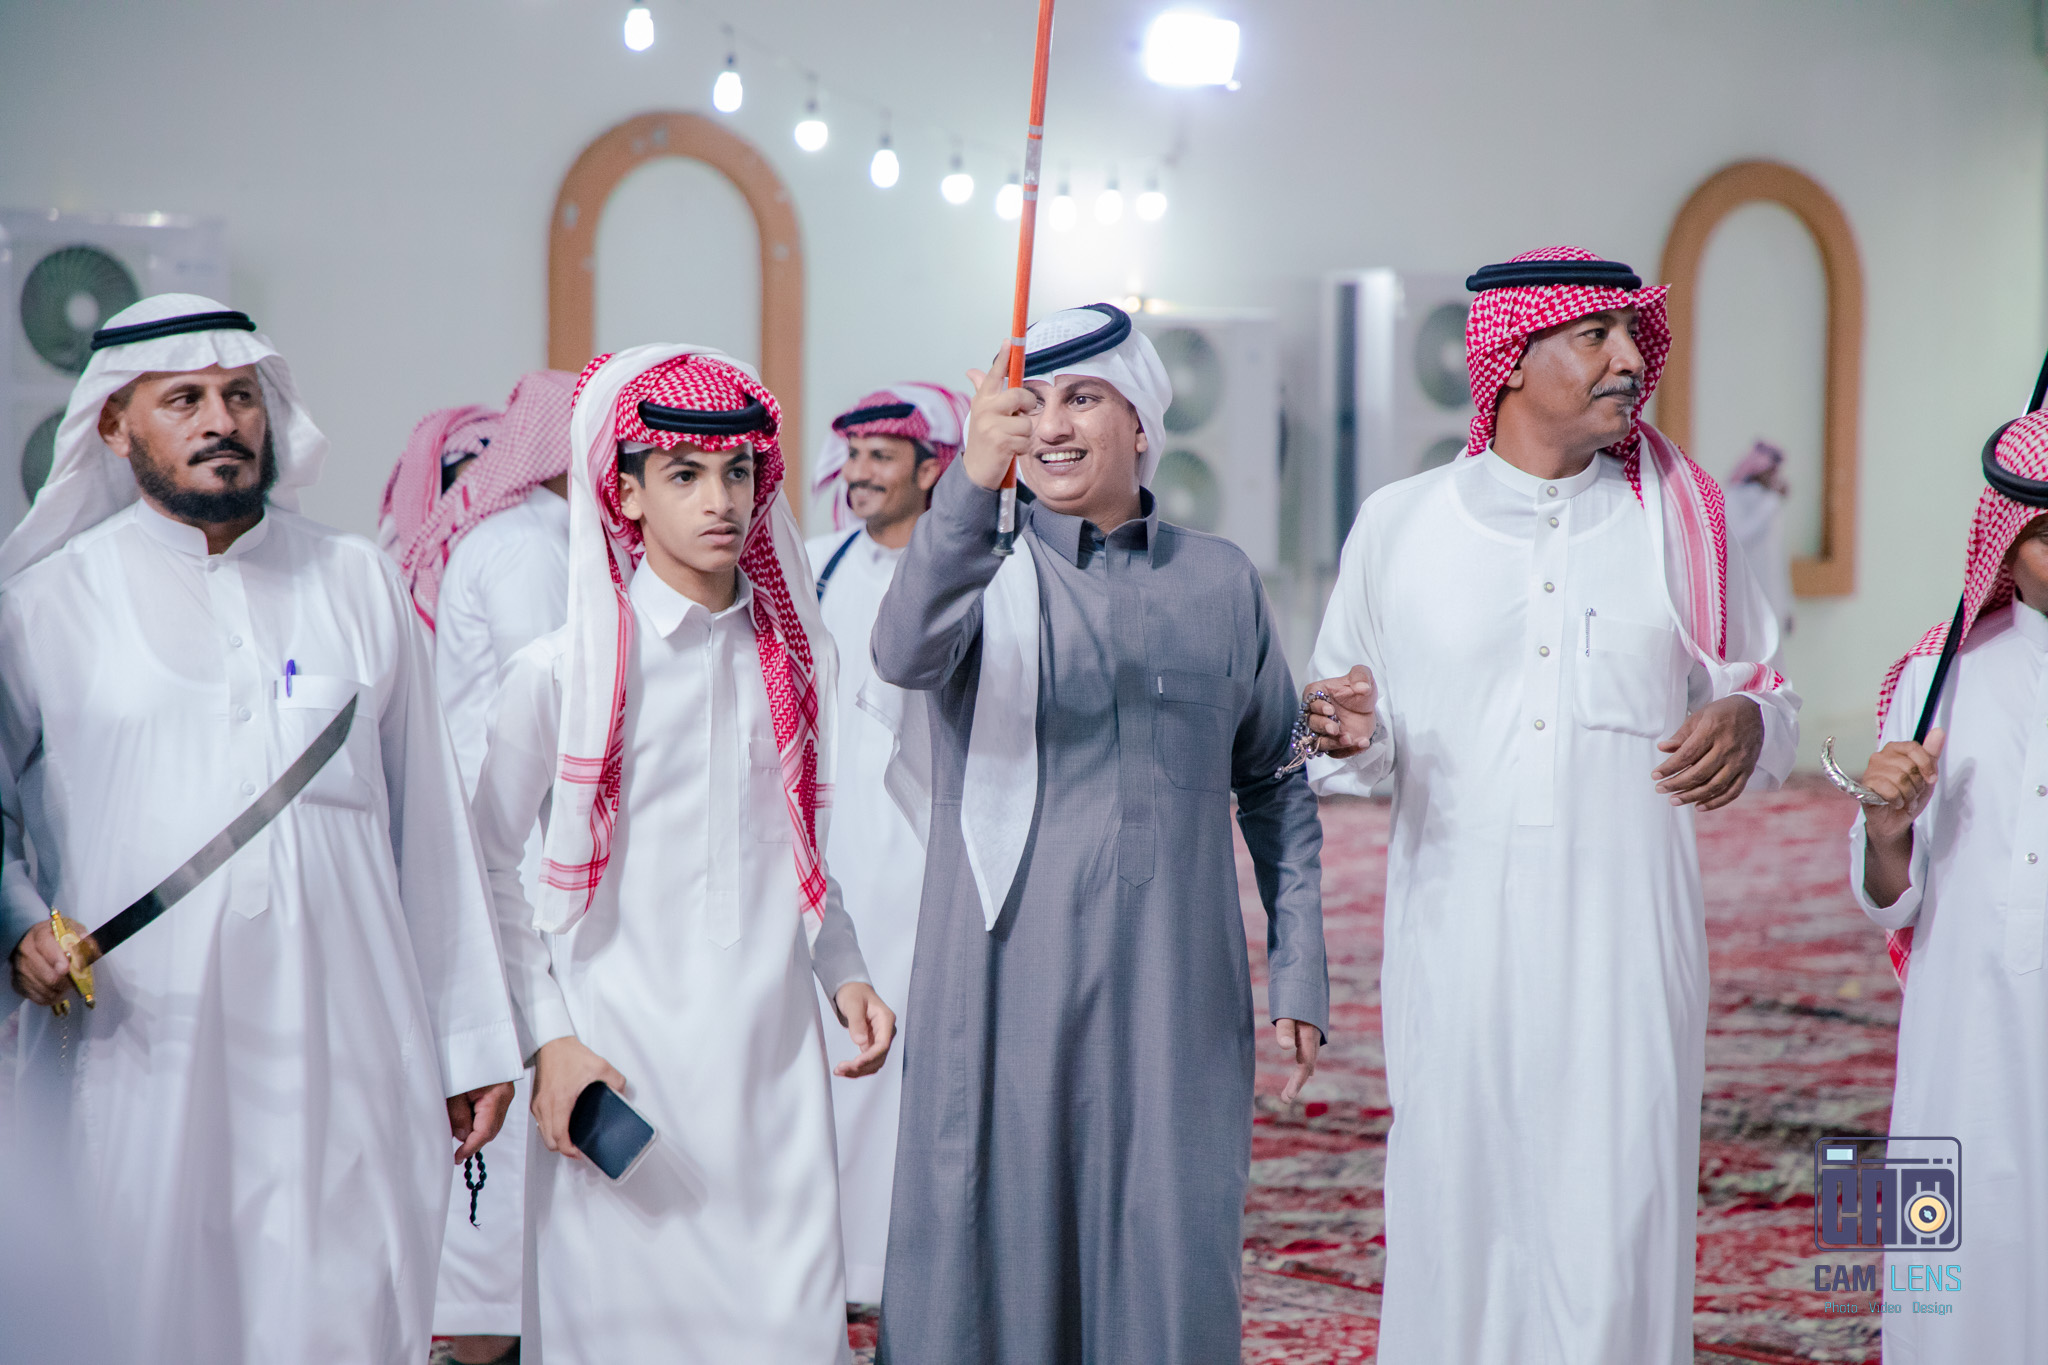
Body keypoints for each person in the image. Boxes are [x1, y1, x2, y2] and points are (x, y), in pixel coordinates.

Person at [1299, 248, 1800, 1365]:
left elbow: (1767, 699)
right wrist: (1347, 732)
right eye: (1595, 336)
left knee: (1617, 1215)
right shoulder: (1399, 525)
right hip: (1454, 950)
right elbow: (1349, 746)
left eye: (1632, 336)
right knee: (1456, 1209)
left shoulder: (1678, 521)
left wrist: (1750, 721)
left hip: (1628, 956)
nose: (1629, 360)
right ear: (1509, 359)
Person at [0, 294, 521, 1363]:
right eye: (184, 399)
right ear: (114, 426)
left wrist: (468, 1039)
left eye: (240, 396)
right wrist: (18, 929)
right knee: (145, 1317)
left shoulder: (355, 581)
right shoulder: (45, 606)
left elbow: (430, 830)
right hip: (142, 1054)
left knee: (336, 1310)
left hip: (349, 1048)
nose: (220, 421)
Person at [872, 303, 1328, 1363]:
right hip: (1000, 986)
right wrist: (967, 488)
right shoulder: (975, 570)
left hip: (1173, 995)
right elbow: (901, 652)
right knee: (987, 1258)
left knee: (1167, 1260)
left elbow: (1276, 773)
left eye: (1082, 399)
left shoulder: (1220, 581)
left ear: (1141, 420)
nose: (1052, 427)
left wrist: (1297, 964)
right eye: (1031, 404)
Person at [470, 344, 896, 1361]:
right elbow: (485, 864)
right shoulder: (561, 671)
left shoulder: (794, 661)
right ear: (625, 493)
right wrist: (548, 1040)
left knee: (789, 1336)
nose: (720, 500)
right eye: (684, 474)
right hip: (620, 1068)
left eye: (738, 472)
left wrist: (844, 971)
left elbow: (794, 847)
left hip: (773, 1078)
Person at [381, 369, 579, 1365]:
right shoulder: (525, 544)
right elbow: (556, 715)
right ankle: (482, 1336)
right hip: (518, 860)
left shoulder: (516, 538)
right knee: (500, 1104)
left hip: (494, 852)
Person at [1849, 407, 2048, 1362]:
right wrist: (1886, 826)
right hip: (1959, 1050)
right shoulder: (1939, 674)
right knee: (1945, 1287)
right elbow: (1891, 894)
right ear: (2005, 538)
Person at [802, 382, 968, 1306]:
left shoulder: (965, 572)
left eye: (880, 456)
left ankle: (899, 1264)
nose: (858, 473)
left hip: (919, 844)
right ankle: (834, 1262)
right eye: (854, 455)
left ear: (931, 470)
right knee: (833, 1060)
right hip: (829, 839)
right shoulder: (818, 564)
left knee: (908, 1054)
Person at [1724, 438, 1795, 636]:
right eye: (1770, 471)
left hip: (1770, 597)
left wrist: (1786, 607)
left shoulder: (1769, 503)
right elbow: (1738, 538)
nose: (1774, 476)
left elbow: (1777, 562)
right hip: (1741, 595)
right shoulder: (1733, 498)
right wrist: (1770, 505)